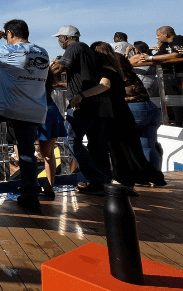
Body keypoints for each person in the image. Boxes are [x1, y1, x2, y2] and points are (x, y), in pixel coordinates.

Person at [0, 19, 49, 213]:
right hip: (33, 110)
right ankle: (30, 195)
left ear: (9, 34)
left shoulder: (10, 50)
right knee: (27, 154)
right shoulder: (43, 52)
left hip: (6, 109)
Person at [84, 42, 166, 188]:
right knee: (139, 149)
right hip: (139, 108)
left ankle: (124, 180)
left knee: (118, 150)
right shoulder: (118, 66)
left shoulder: (105, 71)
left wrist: (81, 95)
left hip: (119, 113)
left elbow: (104, 85)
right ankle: (153, 177)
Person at [51, 26, 115, 195]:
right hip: (96, 104)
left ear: (66, 38)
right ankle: (103, 182)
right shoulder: (87, 50)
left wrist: (41, 78)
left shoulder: (74, 47)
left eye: (60, 38)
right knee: (97, 144)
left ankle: (96, 179)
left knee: (71, 140)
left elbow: (59, 69)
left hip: (81, 104)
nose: (59, 41)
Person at [116, 51, 162, 168]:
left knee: (118, 144)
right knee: (147, 147)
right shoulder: (129, 70)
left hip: (134, 110)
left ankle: (125, 178)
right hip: (151, 108)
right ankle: (153, 178)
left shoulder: (113, 75)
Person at [152, 25, 183, 126]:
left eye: (158, 35)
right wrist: (148, 57)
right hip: (178, 75)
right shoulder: (165, 44)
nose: (157, 38)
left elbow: (176, 54)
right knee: (180, 99)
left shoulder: (179, 40)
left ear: (166, 34)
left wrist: (150, 58)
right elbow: (159, 55)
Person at [36, 67, 66, 200]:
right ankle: (49, 186)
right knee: (48, 154)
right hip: (50, 110)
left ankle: (43, 186)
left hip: (40, 112)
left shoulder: (30, 79)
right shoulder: (47, 78)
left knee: (44, 153)